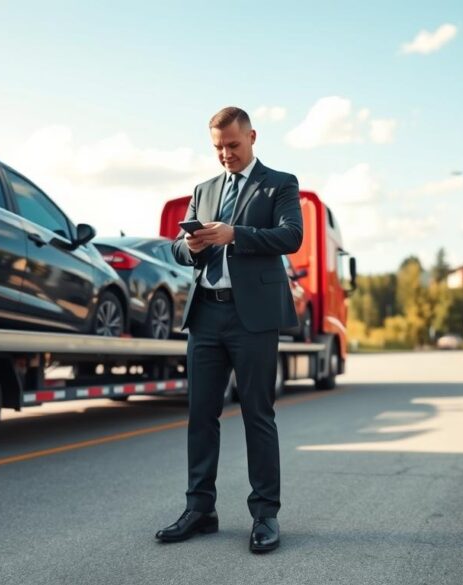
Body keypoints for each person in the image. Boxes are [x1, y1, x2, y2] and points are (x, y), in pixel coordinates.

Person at [157, 106, 303, 553]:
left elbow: (291, 237)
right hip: (206, 314)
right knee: (201, 414)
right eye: (218, 147)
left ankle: (265, 516)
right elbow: (181, 253)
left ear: (252, 137)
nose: (226, 155)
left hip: (252, 317)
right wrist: (192, 244)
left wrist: (234, 234)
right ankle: (200, 509)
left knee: (257, 414)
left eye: (233, 146)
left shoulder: (280, 183)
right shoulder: (203, 190)